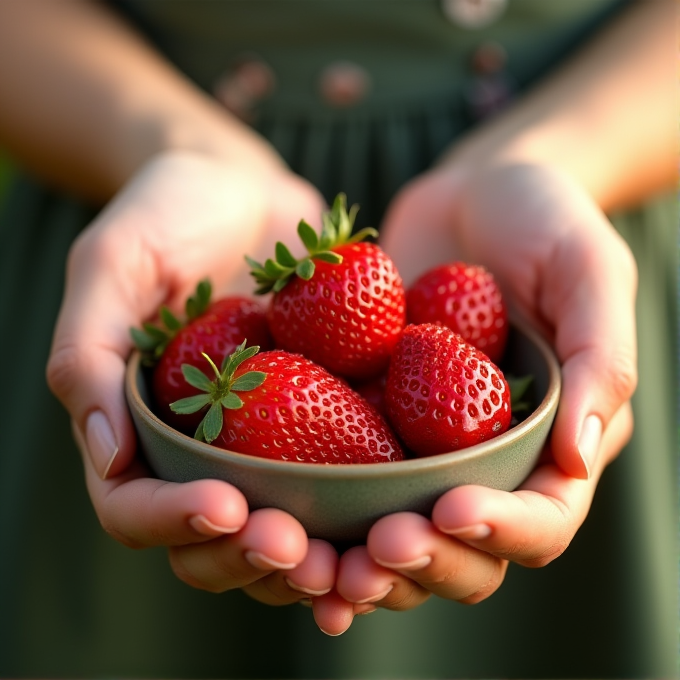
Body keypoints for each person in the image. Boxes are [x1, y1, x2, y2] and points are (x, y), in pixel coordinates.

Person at [0, 0, 676, 677]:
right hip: (134, 184)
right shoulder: (323, 326)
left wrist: (557, 156)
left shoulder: (389, 328)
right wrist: (172, 144)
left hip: (577, 171)